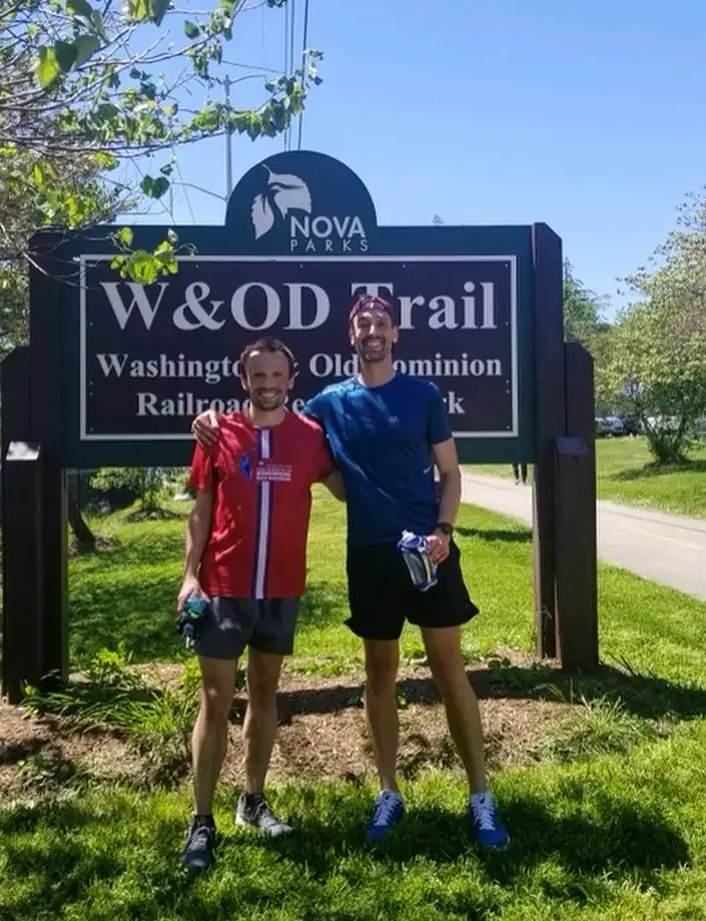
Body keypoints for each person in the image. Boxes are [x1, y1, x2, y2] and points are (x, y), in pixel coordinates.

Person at [192, 294, 509, 849]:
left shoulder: (424, 395)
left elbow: (451, 473)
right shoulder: (328, 405)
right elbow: (270, 421)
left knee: (448, 669)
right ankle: (389, 791)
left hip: (429, 553)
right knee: (379, 677)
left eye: (382, 324)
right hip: (369, 556)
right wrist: (212, 419)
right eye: (364, 324)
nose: (373, 332)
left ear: (395, 334)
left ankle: (481, 796)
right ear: (351, 334)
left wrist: (445, 531)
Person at [178, 337, 343, 873]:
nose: (268, 385)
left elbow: (349, 487)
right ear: (243, 379)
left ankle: (252, 799)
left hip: (281, 588)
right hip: (223, 586)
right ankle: (201, 821)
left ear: (291, 379)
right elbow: (200, 511)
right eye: (258, 376)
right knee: (215, 699)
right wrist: (188, 578)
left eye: (277, 376)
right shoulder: (216, 432)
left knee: (266, 696)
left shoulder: (312, 437)